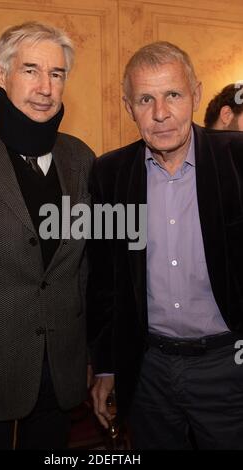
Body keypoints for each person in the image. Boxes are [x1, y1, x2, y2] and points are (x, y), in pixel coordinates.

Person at [0, 21, 95, 450]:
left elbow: (83, 271)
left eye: (57, 73)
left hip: (59, 373)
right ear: (1, 74)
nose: (45, 86)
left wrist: (88, 357)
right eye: (30, 70)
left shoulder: (80, 158)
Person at [87, 41, 243, 449]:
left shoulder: (238, 160)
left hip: (229, 366)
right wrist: (105, 367)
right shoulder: (109, 174)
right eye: (145, 99)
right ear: (128, 106)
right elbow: (104, 282)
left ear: (195, 93)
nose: (160, 113)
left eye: (173, 94)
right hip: (148, 371)